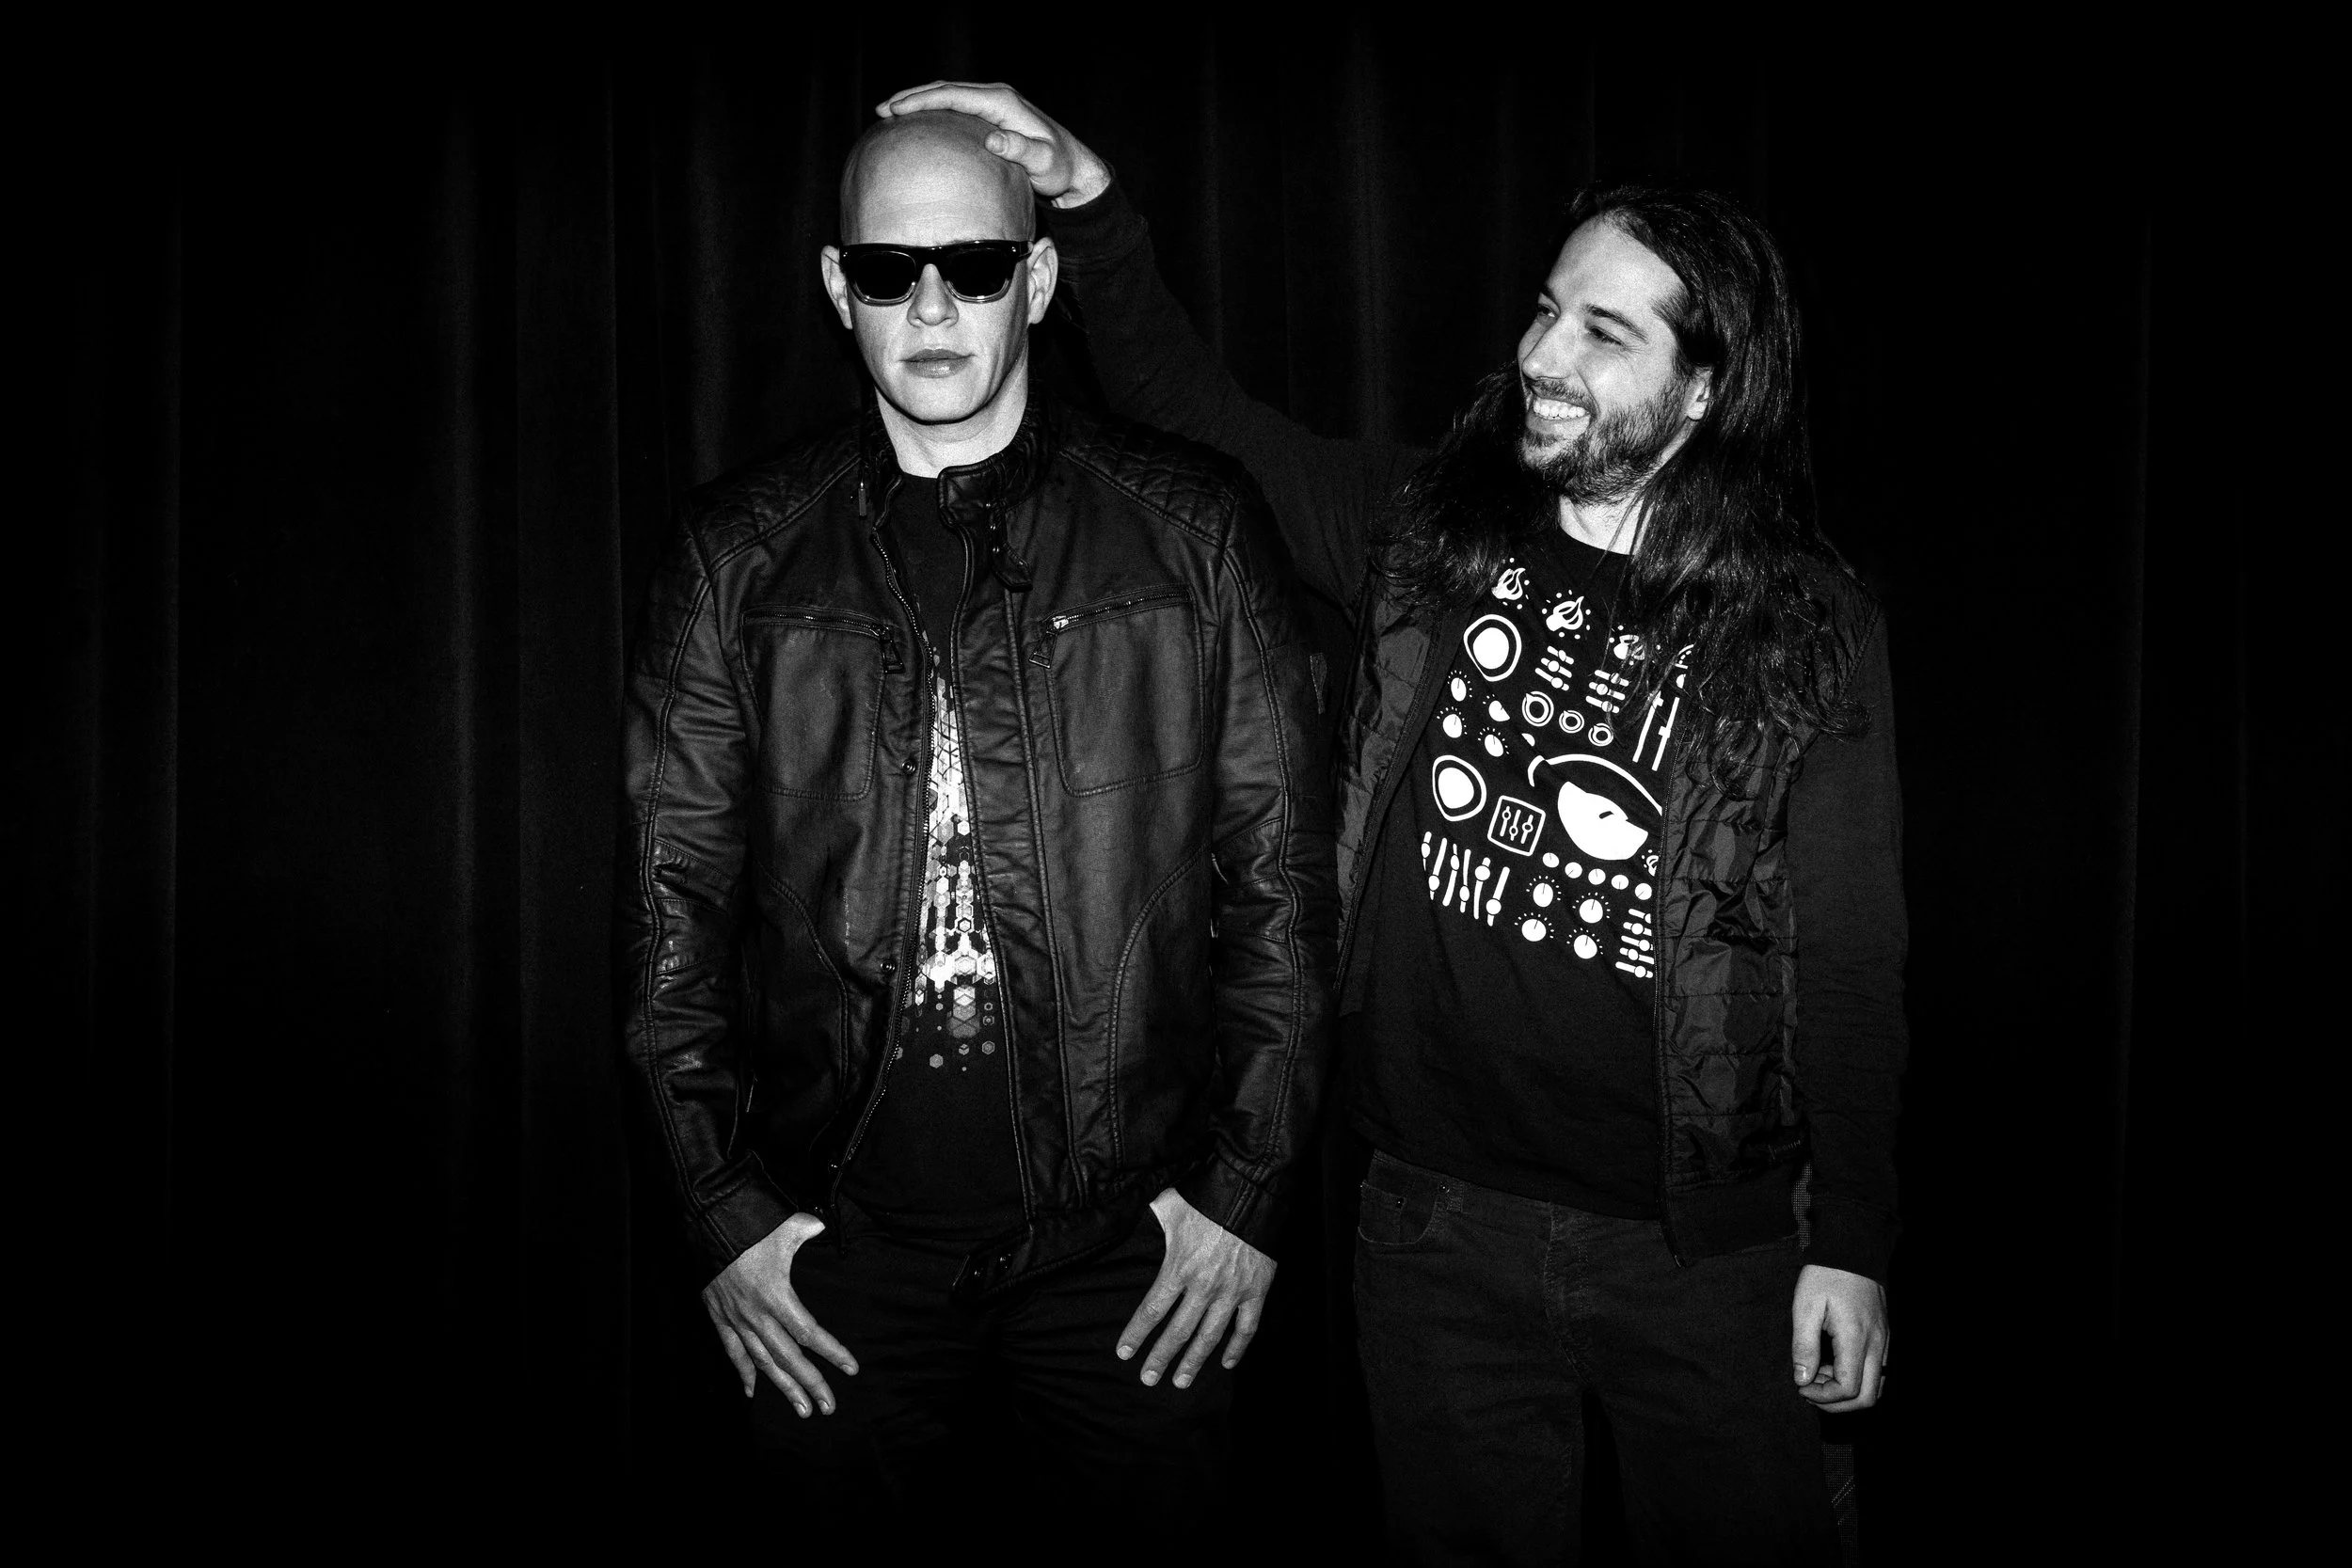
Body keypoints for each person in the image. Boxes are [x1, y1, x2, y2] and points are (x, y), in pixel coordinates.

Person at [881, 83, 1907, 1566]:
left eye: (1603, 333)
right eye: (1546, 310)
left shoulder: (1806, 625)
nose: (1541, 355)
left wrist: (1855, 1242)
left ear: (1703, 390)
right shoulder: (1431, 531)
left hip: (1706, 1247)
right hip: (1434, 1225)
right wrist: (1093, 208)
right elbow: (1198, 413)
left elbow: (1854, 958)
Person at [614, 107, 1336, 1544]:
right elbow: (664, 906)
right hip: (836, 1255)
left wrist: (1245, 1187)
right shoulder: (738, 556)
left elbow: (1285, 886)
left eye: (977, 265)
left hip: (1131, 1250)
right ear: (839, 288)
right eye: (891, 270)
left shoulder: (1193, 529)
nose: (933, 308)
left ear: (1041, 279)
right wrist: (721, 1207)